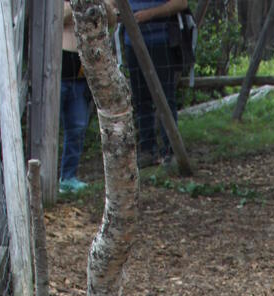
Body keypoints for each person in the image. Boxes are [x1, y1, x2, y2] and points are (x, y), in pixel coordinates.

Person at [59, 1, 116, 194]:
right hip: (55, 74)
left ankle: (68, 177)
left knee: (78, 126)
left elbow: (111, 22)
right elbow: (57, 18)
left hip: (80, 74)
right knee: (47, 129)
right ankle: (42, 178)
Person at [124, 0, 189, 168]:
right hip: (131, 41)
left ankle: (171, 150)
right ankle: (147, 150)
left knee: (165, 98)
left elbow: (181, 3)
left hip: (161, 40)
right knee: (140, 99)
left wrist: (149, 14)